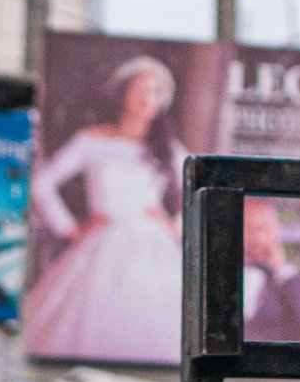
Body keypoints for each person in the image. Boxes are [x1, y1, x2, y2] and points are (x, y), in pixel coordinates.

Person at [26, 57, 187, 363]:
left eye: (154, 93)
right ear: (123, 93)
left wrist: (177, 225)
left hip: (152, 248)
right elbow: (41, 184)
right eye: (139, 89)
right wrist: (69, 227)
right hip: (101, 244)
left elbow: (205, 189)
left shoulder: (168, 148)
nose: (145, 99)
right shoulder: (92, 140)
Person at [240, 196, 300, 343]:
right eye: (252, 229)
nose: (259, 239)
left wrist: (280, 267)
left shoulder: (284, 282)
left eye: (267, 230)